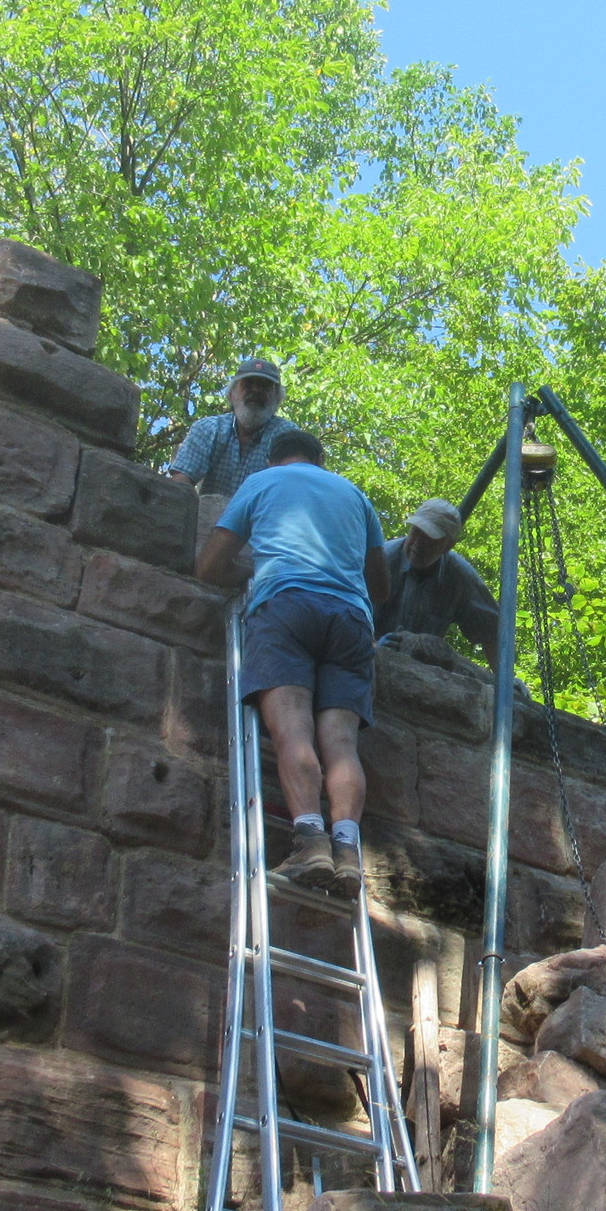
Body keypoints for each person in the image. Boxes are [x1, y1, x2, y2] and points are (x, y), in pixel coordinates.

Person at [196, 424, 390, 893]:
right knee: (341, 743)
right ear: (320, 462)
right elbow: (382, 586)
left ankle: (310, 842)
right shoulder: (355, 496)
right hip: (351, 622)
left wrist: (253, 571)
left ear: (272, 459)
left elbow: (209, 565)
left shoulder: (263, 481)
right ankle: (347, 851)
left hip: (287, 607)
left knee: (293, 729)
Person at [373, 498, 499, 652]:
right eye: (415, 532)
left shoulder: (459, 576)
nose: (418, 543)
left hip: (421, 663)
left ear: (448, 546)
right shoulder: (382, 560)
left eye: (429, 539)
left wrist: (503, 669)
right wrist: (373, 647)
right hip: (365, 655)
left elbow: (492, 634)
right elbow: (351, 614)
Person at [166, 356, 288, 499]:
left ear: (277, 398)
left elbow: (292, 490)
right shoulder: (208, 429)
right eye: (248, 384)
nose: (255, 390)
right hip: (207, 513)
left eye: (265, 385)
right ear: (231, 394)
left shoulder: (286, 436)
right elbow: (180, 484)